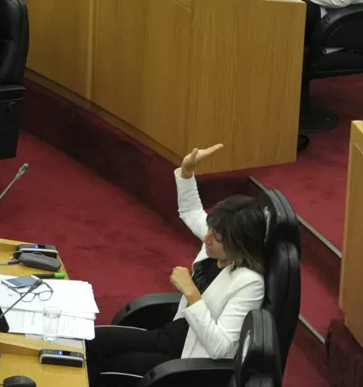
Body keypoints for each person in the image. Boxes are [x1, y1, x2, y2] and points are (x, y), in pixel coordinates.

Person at [87, 144, 266, 380]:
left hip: (184, 359)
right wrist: (186, 171)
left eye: (216, 237)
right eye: (210, 229)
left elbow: (221, 348)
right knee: (90, 343)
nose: (206, 238)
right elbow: (191, 211)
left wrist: (192, 293)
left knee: (108, 371)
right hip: (169, 336)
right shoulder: (218, 243)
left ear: (238, 245)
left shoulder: (249, 284)